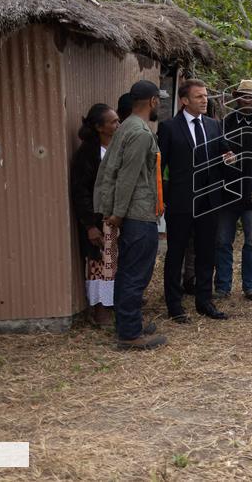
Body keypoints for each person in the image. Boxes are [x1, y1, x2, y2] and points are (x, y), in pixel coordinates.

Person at [93, 81, 168, 350]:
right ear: (152, 102)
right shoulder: (139, 132)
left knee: (129, 273)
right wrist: (118, 213)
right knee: (136, 274)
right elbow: (127, 176)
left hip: (134, 212)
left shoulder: (127, 127)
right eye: (159, 100)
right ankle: (130, 334)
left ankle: (128, 324)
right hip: (138, 213)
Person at [157, 79, 234, 323]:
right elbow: (160, 168)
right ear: (184, 100)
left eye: (206, 96)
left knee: (206, 252)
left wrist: (229, 158)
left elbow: (222, 154)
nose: (204, 100)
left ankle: (204, 301)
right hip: (180, 202)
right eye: (199, 96)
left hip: (209, 201)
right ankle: (175, 305)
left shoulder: (214, 125)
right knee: (176, 253)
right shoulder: (169, 127)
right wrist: (163, 198)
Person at [215, 79, 252, 299]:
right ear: (236, 97)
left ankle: (251, 285)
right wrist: (224, 157)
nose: (248, 100)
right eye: (244, 95)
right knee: (222, 241)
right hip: (227, 194)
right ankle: (223, 285)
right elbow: (215, 151)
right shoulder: (224, 122)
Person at [71, 103, 121, 326]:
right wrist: (90, 225)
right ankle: (100, 311)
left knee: (116, 263)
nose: (118, 125)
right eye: (113, 122)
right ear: (100, 127)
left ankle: (115, 306)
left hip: (118, 216)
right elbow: (80, 192)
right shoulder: (87, 154)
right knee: (100, 264)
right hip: (98, 219)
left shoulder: (119, 148)